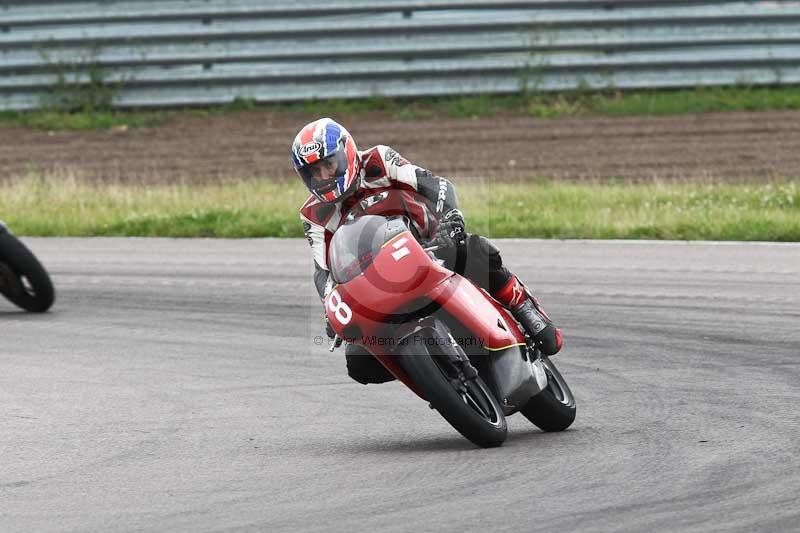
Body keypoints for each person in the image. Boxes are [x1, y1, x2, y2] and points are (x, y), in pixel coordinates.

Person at [293, 118, 562, 385]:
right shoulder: (313, 215)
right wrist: (331, 305)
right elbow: (323, 270)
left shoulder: (378, 160)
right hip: (378, 282)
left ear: (346, 152)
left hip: (430, 244)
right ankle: (435, 374)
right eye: (314, 172)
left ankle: (525, 308)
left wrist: (451, 218)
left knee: (474, 248)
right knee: (359, 362)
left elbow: (436, 185)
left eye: (329, 164)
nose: (324, 176)